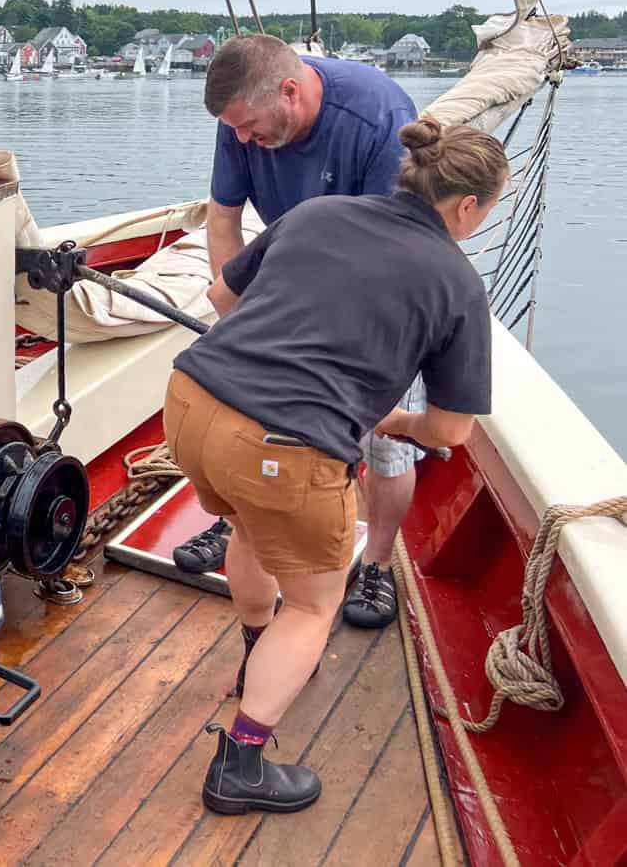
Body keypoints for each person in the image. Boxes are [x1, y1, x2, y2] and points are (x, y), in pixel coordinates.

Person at [165, 117, 506, 814]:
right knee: (316, 605)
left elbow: (224, 300)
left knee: (251, 529)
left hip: (191, 404)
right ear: (466, 206)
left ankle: (258, 652)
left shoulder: (317, 212)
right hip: (282, 448)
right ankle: (242, 763)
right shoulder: (456, 281)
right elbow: (451, 428)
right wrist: (395, 420)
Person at [173, 33, 423, 631]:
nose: (242, 141)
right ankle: (241, 525)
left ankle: (379, 564)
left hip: (378, 289)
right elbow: (224, 218)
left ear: (289, 92)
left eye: (252, 127)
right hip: (286, 285)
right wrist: (240, 325)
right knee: (248, 415)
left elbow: (396, 249)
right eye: (234, 129)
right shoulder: (240, 120)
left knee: (384, 445)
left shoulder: (378, 118)